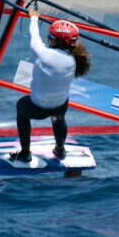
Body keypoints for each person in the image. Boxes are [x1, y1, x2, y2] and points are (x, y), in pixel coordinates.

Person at [10, 9, 90, 163]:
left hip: (37, 108)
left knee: (21, 106)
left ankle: (25, 152)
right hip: (59, 106)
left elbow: (34, 35)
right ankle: (60, 149)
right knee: (59, 116)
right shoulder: (73, 60)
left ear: (53, 39)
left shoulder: (42, 54)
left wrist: (33, 18)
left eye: (50, 37)